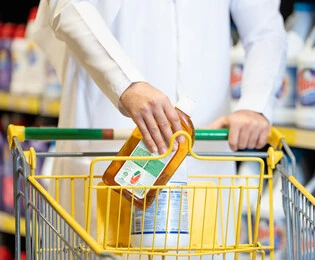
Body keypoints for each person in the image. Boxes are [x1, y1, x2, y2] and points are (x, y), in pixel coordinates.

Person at [32, 0, 286, 258]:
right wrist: (126, 83)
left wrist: (255, 104)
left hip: (204, 162)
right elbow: (68, 7)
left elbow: (264, 28)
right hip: (106, 146)